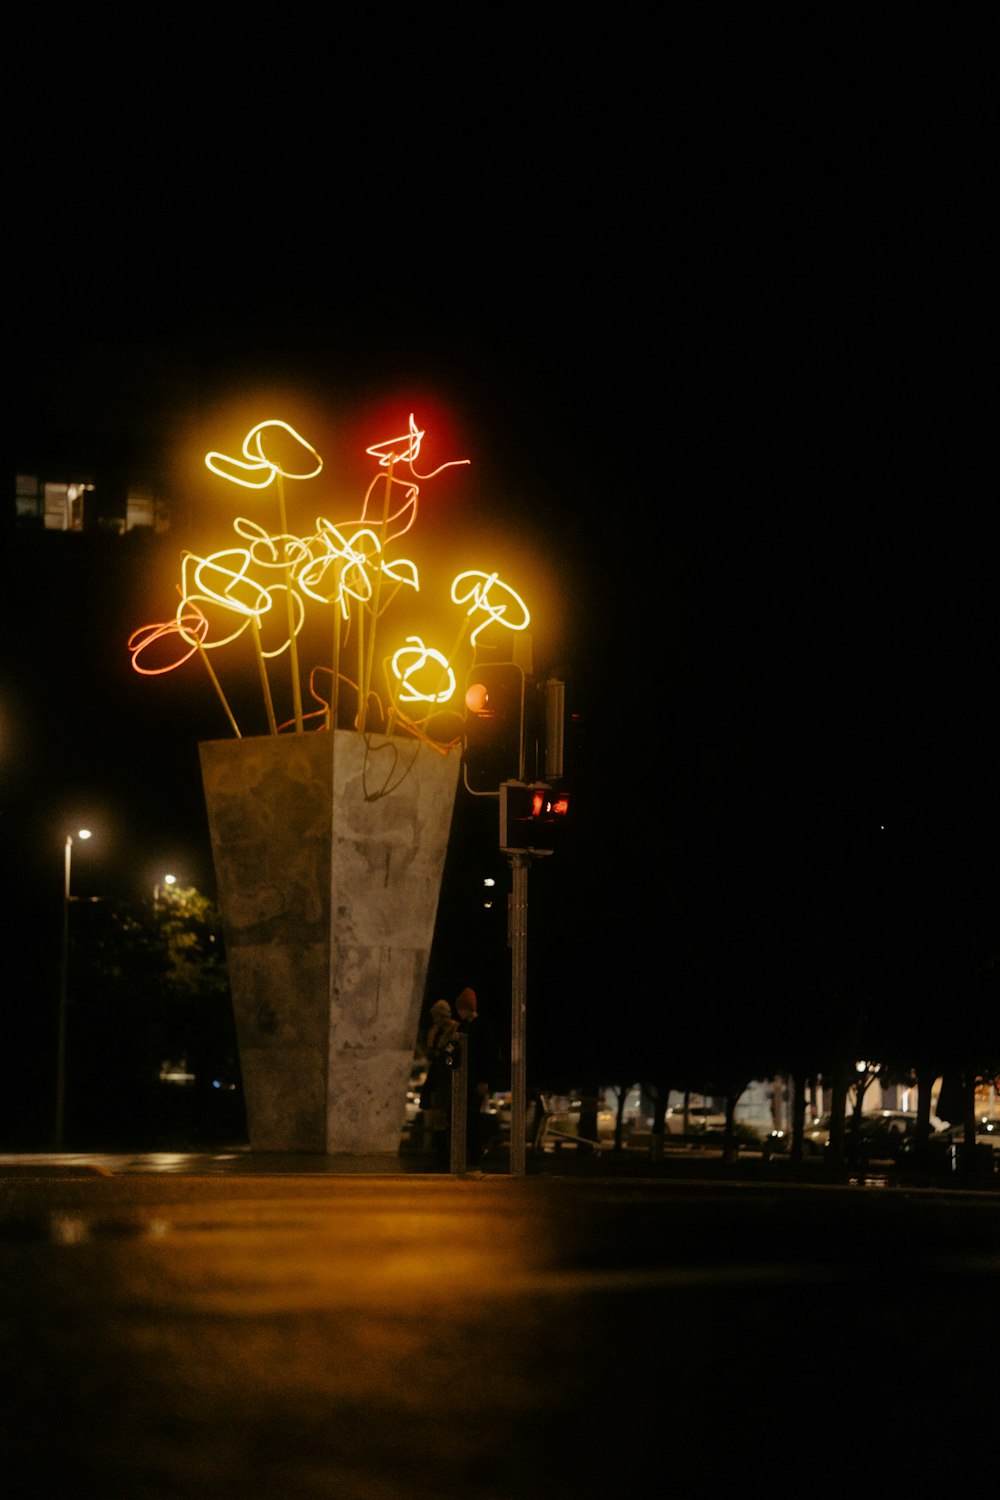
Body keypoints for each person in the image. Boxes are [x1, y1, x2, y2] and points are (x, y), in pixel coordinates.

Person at [454, 987, 498, 1167]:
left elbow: (490, 1055)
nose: (458, 1012)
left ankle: (474, 1152)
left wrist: (485, 1081)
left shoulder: (482, 1026)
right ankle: (469, 1152)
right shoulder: (463, 1027)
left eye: (460, 1008)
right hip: (466, 1078)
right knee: (466, 1116)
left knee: (472, 1116)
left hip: (475, 1078)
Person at [420, 999, 460, 1160]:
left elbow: (453, 1050)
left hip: (447, 1074)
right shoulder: (434, 1030)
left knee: (445, 1111)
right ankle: (439, 1148)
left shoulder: (455, 1029)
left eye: (437, 1016)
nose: (434, 1019)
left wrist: (442, 1053)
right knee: (437, 1111)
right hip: (436, 1073)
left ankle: (445, 1150)